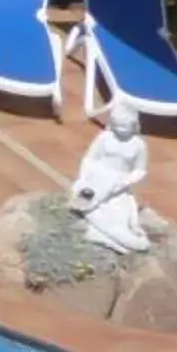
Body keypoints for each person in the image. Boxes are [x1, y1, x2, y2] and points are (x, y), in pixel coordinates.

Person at [69, 99, 154, 257]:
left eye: (125, 127)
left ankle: (121, 239)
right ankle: (100, 232)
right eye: (117, 125)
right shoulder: (104, 137)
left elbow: (140, 170)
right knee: (89, 204)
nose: (121, 130)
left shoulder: (139, 145)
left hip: (118, 185)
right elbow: (89, 159)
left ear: (134, 126)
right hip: (96, 179)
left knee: (118, 218)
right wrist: (83, 178)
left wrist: (125, 182)